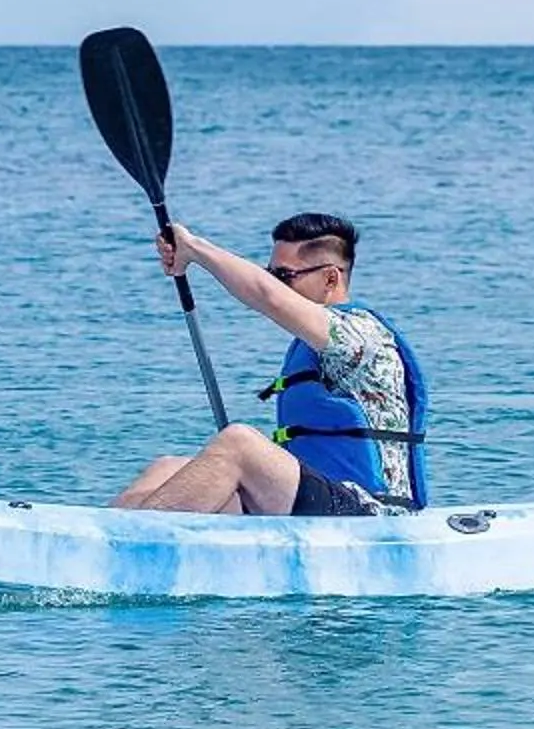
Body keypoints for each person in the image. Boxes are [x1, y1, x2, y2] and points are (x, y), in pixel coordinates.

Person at [110, 212, 429, 516]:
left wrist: (193, 248)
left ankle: (129, 549)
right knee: (166, 469)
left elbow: (268, 297)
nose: (275, 283)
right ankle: (97, 545)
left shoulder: (358, 335)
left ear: (330, 278)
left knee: (239, 444)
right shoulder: (314, 343)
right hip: (320, 500)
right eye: (271, 274)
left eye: (284, 276)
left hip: (369, 511)